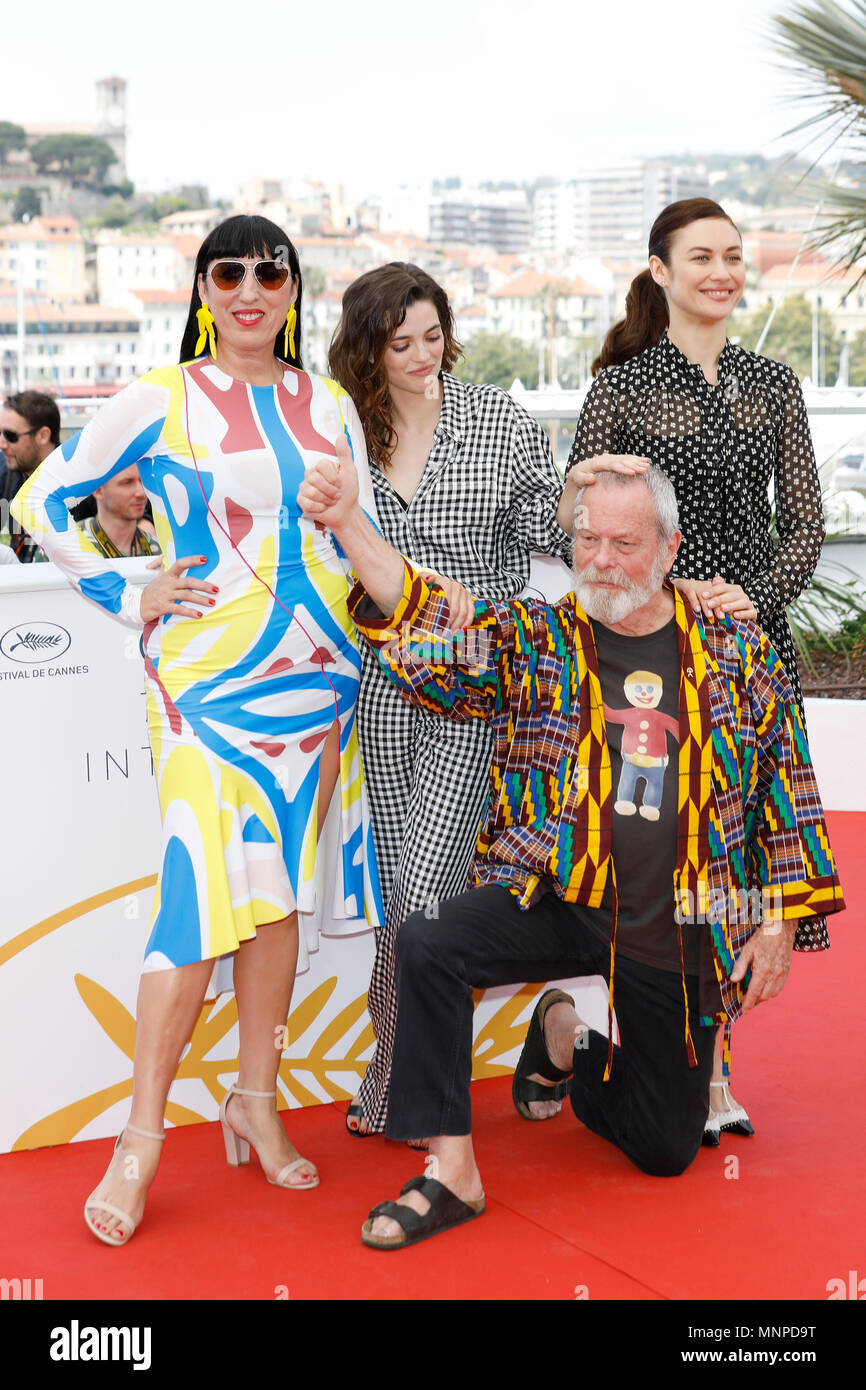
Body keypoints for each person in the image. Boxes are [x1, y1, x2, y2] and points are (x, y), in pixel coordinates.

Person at [296, 452, 844, 1250]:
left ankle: (567, 1040)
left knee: (666, 1149)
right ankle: (451, 1171)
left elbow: (787, 787)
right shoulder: (541, 636)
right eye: (587, 540)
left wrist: (775, 926)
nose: (600, 561)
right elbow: (431, 616)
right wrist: (348, 522)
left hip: (680, 918)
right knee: (430, 940)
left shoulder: (735, 647)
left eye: (624, 544)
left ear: (670, 547)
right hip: (557, 892)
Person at [11, 214, 384, 1246]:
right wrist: (127, 591)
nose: (250, 289)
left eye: (271, 272)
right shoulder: (158, 398)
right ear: (204, 288)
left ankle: (255, 1098)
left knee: (274, 906)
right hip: (206, 687)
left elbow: (363, 535)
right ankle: (139, 1141)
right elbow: (43, 501)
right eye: (229, 272)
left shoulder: (331, 402)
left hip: (320, 681)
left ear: (295, 287)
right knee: (194, 909)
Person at [327, 262, 632, 1137]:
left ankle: (403, 1092)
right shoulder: (347, 431)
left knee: (428, 894)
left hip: (479, 679)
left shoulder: (498, 419)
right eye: (401, 343)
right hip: (384, 680)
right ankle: (406, 1072)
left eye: (433, 336)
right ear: (368, 349)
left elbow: (550, 530)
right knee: (399, 895)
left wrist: (594, 494)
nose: (424, 356)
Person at [565, 197, 828, 1142]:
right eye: (702, 257)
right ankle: (658, 1055)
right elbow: (589, 524)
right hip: (647, 654)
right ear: (660, 271)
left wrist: (751, 596)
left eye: (734, 256)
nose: (723, 271)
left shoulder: (772, 383)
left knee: (741, 848)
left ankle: (717, 1066)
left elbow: (807, 522)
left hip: (750, 647)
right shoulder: (624, 386)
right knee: (666, 845)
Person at [0, 390, 60, 561]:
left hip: (59, 582)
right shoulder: (6, 469)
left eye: (11, 436)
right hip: (13, 581)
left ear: (43, 435)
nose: (2, 444)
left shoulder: (78, 478)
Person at [78, 464, 161, 557]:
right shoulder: (70, 544)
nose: (141, 493)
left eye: (143, 481)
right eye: (127, 483)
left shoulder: (159, 552)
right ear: (98, 490)